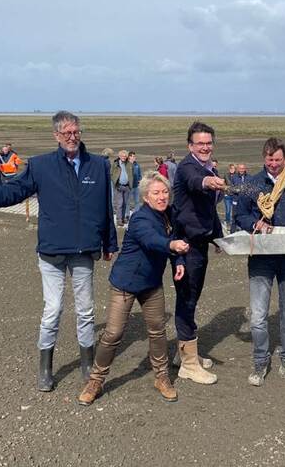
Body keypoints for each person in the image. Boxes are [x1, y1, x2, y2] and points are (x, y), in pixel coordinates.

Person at [0, 111, 118, 392]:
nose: (72, 137)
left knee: (85, 310)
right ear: (56, 136)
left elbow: (106, 206)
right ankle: (45, 367)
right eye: (66, 133)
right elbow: (15, 190)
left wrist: (109, 243)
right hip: (52, 250)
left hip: (84, 249)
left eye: (76, 132)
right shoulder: (42, 165)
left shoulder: (98, 165)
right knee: (53, 309)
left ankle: (87, 364)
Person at [78, 172, 189, 405]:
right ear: (146, 198)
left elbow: (174, 237)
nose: (162, 197)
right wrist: (171, 245)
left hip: (151, 284)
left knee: (158, 330)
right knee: (113, 333)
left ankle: (162, 377)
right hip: (126, 284)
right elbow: (152, 240)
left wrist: (178, 262)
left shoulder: (170, 215)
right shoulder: (140, 219)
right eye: (156, 193)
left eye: (165, 192)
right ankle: (95, 381)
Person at [234, 137, 285, 388]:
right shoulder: (252, 184)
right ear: (264, 158)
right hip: (261, 258)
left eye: (278, 160)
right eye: (269, 159)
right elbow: (240, 215)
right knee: (259, 316)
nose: (273, 164)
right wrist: (254, 224)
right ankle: (260, 362)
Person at [171, 121, 225, 385]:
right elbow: (195, 182)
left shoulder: (209, 166)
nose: (205, 147)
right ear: (190, 146)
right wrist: (207, 181)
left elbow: (209, 210)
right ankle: (189, 365)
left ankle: (184, 353)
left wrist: (218, 238)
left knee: (191, 299)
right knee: (187, 300)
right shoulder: (187, 167)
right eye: (199, 143)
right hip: (185, 246)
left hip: (201, 242)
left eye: (208, 143)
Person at [111, 150, 134, 226]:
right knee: (120, 203)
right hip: (119, 186)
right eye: (122, 156)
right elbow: (111, 173)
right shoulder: (115, 164)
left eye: (125, 156)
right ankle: (119, 219)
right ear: (119, 156)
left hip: (127, 186)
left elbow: (132, 174)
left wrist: (131, 183)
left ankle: (123, 218)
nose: (124, 157)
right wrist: (115, 182)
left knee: (125, 203)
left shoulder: (129, 164)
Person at [222, 163, 236, 231]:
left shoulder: (237, 175)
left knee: (234, 211)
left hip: (234, 196)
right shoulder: (226, 175)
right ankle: (228, 223)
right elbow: (223, 184)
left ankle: (234, 224)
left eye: (233, 168)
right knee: (228, 210)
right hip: (227, 196)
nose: (232, 170)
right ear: (229, 169)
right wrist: (225, 193)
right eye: (231, 168)